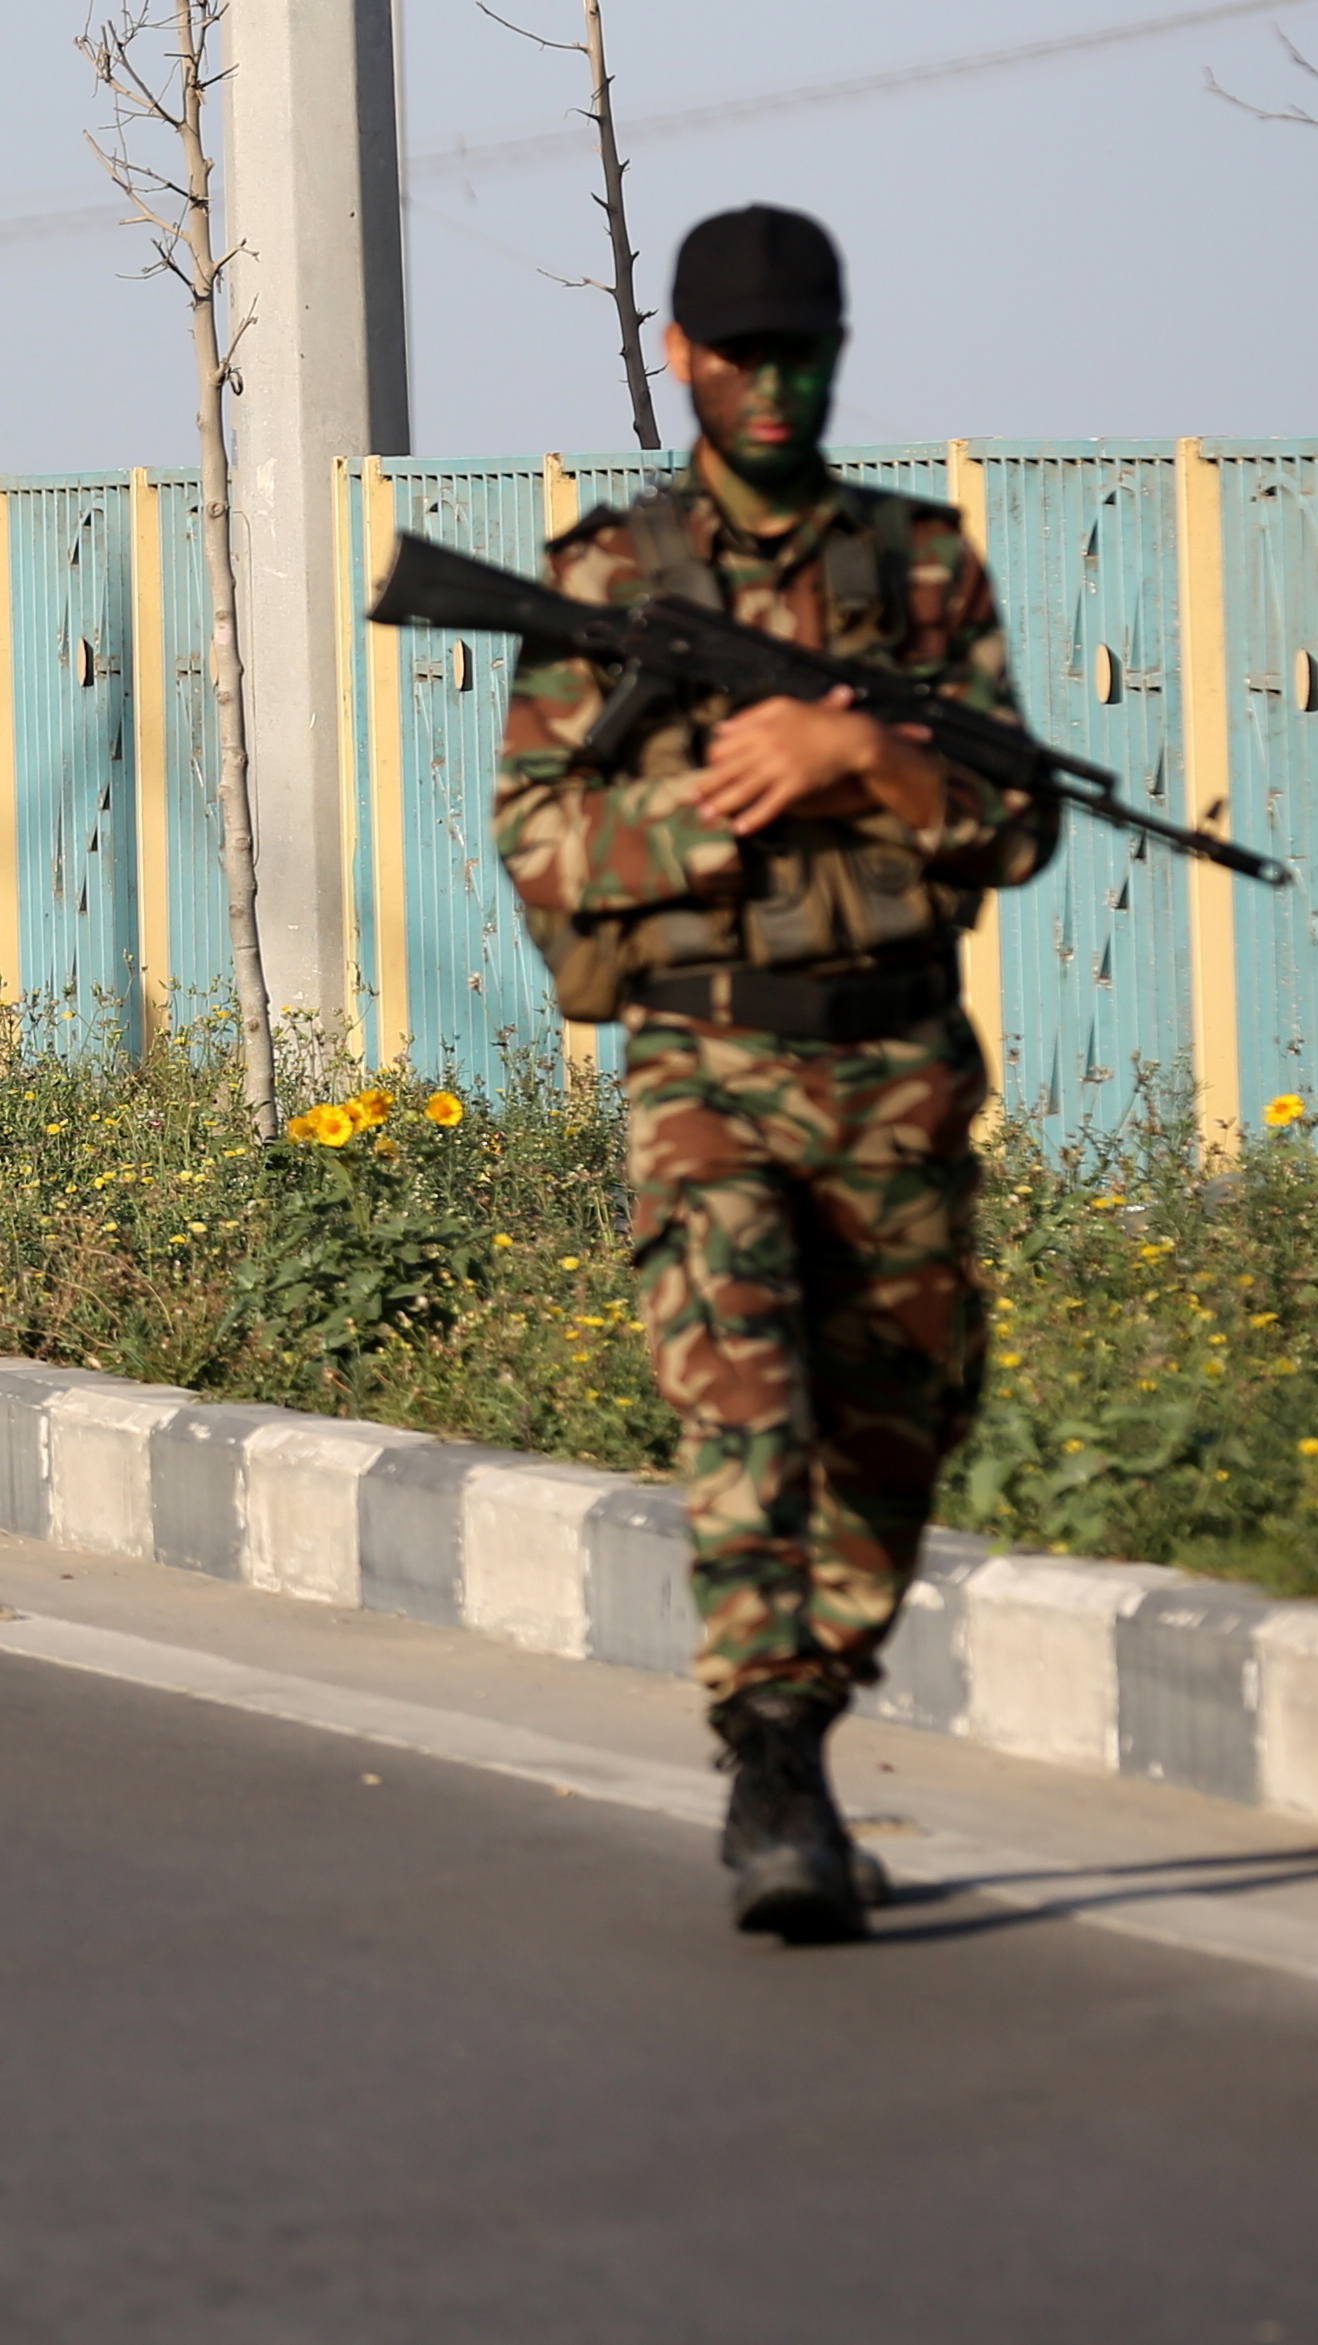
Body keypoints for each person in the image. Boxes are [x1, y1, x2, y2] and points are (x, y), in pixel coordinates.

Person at [490, 203, 1055, 1946]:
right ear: (680, 354)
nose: (770, 381)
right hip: (708, 1060)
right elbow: (538, 834)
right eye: (738, 352)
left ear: (836, 350)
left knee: (902, 1421)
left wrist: (859, 751)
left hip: (897, 1061)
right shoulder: (609, 575)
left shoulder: (923, 564)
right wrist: (722, 802)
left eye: (799, 351)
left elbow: (1017, 819)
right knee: (745, 1400)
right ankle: (774, 1759)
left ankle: (804, 1702)